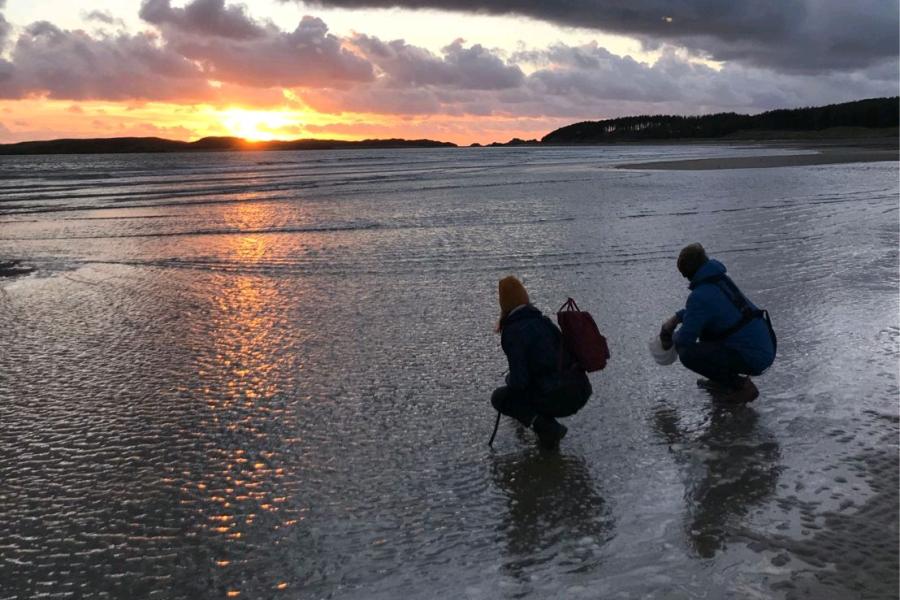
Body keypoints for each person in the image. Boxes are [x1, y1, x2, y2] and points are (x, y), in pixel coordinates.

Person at [660, 243, 776, 403]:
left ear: (687, 273)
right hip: (764, 344)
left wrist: (668, 336)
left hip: (753, 355)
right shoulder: (719, 280)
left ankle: (742, 387)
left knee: (687, 353)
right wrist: (676, 318)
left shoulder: (700, 296)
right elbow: (706, 311)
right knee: (706, 330)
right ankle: (720, 381)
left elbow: (685, 340)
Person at [491, 276, 592, 448]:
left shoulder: (512, 332)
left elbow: (519, 382)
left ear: (503, 304)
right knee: (535, 388)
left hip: (558, 395)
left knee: (499, 397)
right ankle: (548, 438)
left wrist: (509, 381)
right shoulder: (543, 321)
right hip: (581, 390)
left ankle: (550, 429)